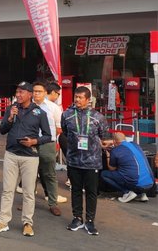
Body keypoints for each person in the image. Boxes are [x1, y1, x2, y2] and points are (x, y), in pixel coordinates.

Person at [0, 82, 51, 237]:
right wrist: (10, 117)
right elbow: (2, 130)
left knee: (29, 192)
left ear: (30, 94)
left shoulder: (39, 112)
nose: (18, 95)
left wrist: (34, 142)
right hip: (11, 155)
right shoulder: (11, 109)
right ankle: (3, 222)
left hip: (30, 157)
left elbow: (48, 136)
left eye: (21, 92)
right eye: (17, 92)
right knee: (7, 190)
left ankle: (28, 223)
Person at [61, 86, 109, 236]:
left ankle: (90, 220)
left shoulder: (98, 117)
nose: (77, 100)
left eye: (81, 97)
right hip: (74, 160)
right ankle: (77, 218)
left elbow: (104, 135)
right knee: (75, 190)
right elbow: (65, 131)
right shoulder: (67, 115)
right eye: (76, 97)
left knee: (91, 192)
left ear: (88, 100)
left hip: (92, 161)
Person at [32, 81, 64, 216]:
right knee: (31, 175)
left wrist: (48, 140)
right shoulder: (27, 106)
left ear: (45, 93)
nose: (36, 94)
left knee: (49, 174)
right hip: (31, 144)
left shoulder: (53, 108)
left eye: (39, 91)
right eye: (34, 91)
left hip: (47, 144)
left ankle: (53, 203)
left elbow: (58, 128)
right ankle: (28, 203)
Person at [102, 132, 154, 202]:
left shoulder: (115, 150)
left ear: (114, 141)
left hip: (136, 184)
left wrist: (108, 155)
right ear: (125, 139)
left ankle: (127, 192)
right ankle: (141, 194)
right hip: (150, 184)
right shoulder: (135, 145)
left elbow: (112, 168)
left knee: (104, 174)